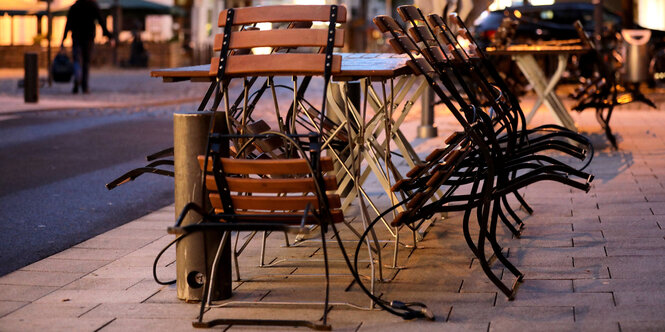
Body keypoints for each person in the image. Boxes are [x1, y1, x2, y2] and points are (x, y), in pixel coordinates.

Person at [60, 0, 112, 94]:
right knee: (86, 62)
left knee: (77, 60)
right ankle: (84, 86)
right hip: (88, 38)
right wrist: (109, 36)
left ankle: (77, 77)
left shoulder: (75, 7)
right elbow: (101, 21)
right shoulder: (92, 5)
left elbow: (68, 24)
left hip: (76, 37)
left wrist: (63, 39)